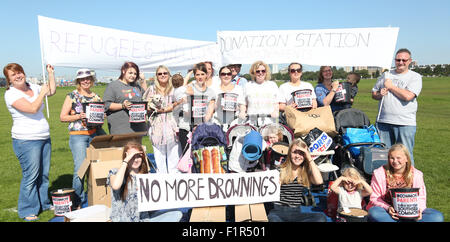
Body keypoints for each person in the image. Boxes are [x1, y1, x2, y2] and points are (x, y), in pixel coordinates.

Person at [4, 63, 56, 221]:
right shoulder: (11, 94)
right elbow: (33, 108)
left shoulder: (33, 86)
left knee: (44, 175)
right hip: (26, 140)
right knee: (31, 176)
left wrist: (51, 73)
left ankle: (44, 204)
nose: (18, 76)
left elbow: (52, 91)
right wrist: (41, 94)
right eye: (13, 75)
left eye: (19, 72)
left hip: (43, 136)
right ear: (9, 80)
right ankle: (27, 210)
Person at [59, 68, 105, 207]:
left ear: (92, 80)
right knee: (80, 169)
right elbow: (62, 117)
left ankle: (94, 197)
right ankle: (77, 201)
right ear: (78, 81)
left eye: (88, 78)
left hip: (94, 136)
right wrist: (79, 116)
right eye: (83, 79)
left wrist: (101, 116)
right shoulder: (71, 96)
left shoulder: (97, 97)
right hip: (78, 136)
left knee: (95, 168)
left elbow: (100, 118)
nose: (86, 81)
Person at [107, 141, 182, 222]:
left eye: (138, 156)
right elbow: (115, 186)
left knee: (177, 213)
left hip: (143, 219)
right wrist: (125, 162)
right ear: (126, 157)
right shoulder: (115, 172)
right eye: (132, 156)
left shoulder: (147, 176)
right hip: (123, 219)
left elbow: (154, 205)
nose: (135, 160)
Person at [367, 144, 444, 222]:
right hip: (388, 213)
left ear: (406, 158)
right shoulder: (379, 173)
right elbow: (374, 198)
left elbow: (421, 197)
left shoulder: (417, 174)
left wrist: (418, 211)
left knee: (437, 217)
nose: (395, 161)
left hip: (410, 212)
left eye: (398, 158)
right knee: (374, 212)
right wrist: (388, 208)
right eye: (392, 158)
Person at [371, 48, 422, 165]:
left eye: (404, 60)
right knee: (383, 156)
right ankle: (386, 181)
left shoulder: (415, 77)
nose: (401, 62)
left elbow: (408, 96)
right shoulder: (386, 75)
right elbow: (374, 93)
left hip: (405, 123)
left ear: (410, 61)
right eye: (398, 60)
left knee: (405, 157)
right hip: (383, 122)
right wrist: (379, 94)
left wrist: (391, 86)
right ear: (395, 60)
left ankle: (408, 182)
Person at [267, 139, 327, 222]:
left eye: (301, 153)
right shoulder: (280, 169)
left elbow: (319, 182)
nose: (298, 156)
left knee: (321, 218)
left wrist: (308, 156)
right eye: (295, 152)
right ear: (289, 153)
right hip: (278, 211)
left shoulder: (305, 172)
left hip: (296, 212)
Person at [143, 65, 180, 174]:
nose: (163, 75)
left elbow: (182, 103)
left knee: (174, 161)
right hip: (156, 129)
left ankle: (175, 186)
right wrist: (151, 107)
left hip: (173, 128)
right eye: (160, 73)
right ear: (156, 76)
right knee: (160, 161)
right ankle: (162, 186)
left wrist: (168, 108)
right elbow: (145, 106)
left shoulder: (175, 89)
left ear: (169, 75)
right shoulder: (151, 89)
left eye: (165, 73)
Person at [178, 63, 216, 151]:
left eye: (202, 74)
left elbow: (209, 112)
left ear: (207, 75)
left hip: (203, 128)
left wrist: (200, 125)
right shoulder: (188, 88)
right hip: (187, 128)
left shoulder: (211, 92)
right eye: (197, 74)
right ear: (194, 76)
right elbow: (184, 107)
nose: (200, 77)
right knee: (187, 159)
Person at [103, 62, 147, 134]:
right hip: (121, 129)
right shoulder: (113, 85)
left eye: (135, 74)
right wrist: (123, 106)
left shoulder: (136, 86)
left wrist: (143, 80)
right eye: (130, 73)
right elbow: (106, 104)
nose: (133, 76)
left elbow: (145, 96)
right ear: (123, 71)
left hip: (138, 128)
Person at [242, 61, 283, 128]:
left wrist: (275, 111)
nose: (260, 73)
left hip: (269, 121)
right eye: (257, 71)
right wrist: (242, 112)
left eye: (263, 71)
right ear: (253, 73)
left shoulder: (272, 85)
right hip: (252, 121)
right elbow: (243, 103)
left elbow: (276, 102)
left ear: (266, 72)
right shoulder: (247, 86)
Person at [211, 66, 246, 130]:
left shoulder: (238, 88)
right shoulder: (214, 89)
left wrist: (242, 112)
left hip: (234, 123)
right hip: (217, 123)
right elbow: (211, 108)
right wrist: (218, 103)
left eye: (229, 74)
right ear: (219, 76)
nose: (226, 76)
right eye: (223, 74)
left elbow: (242, 104)